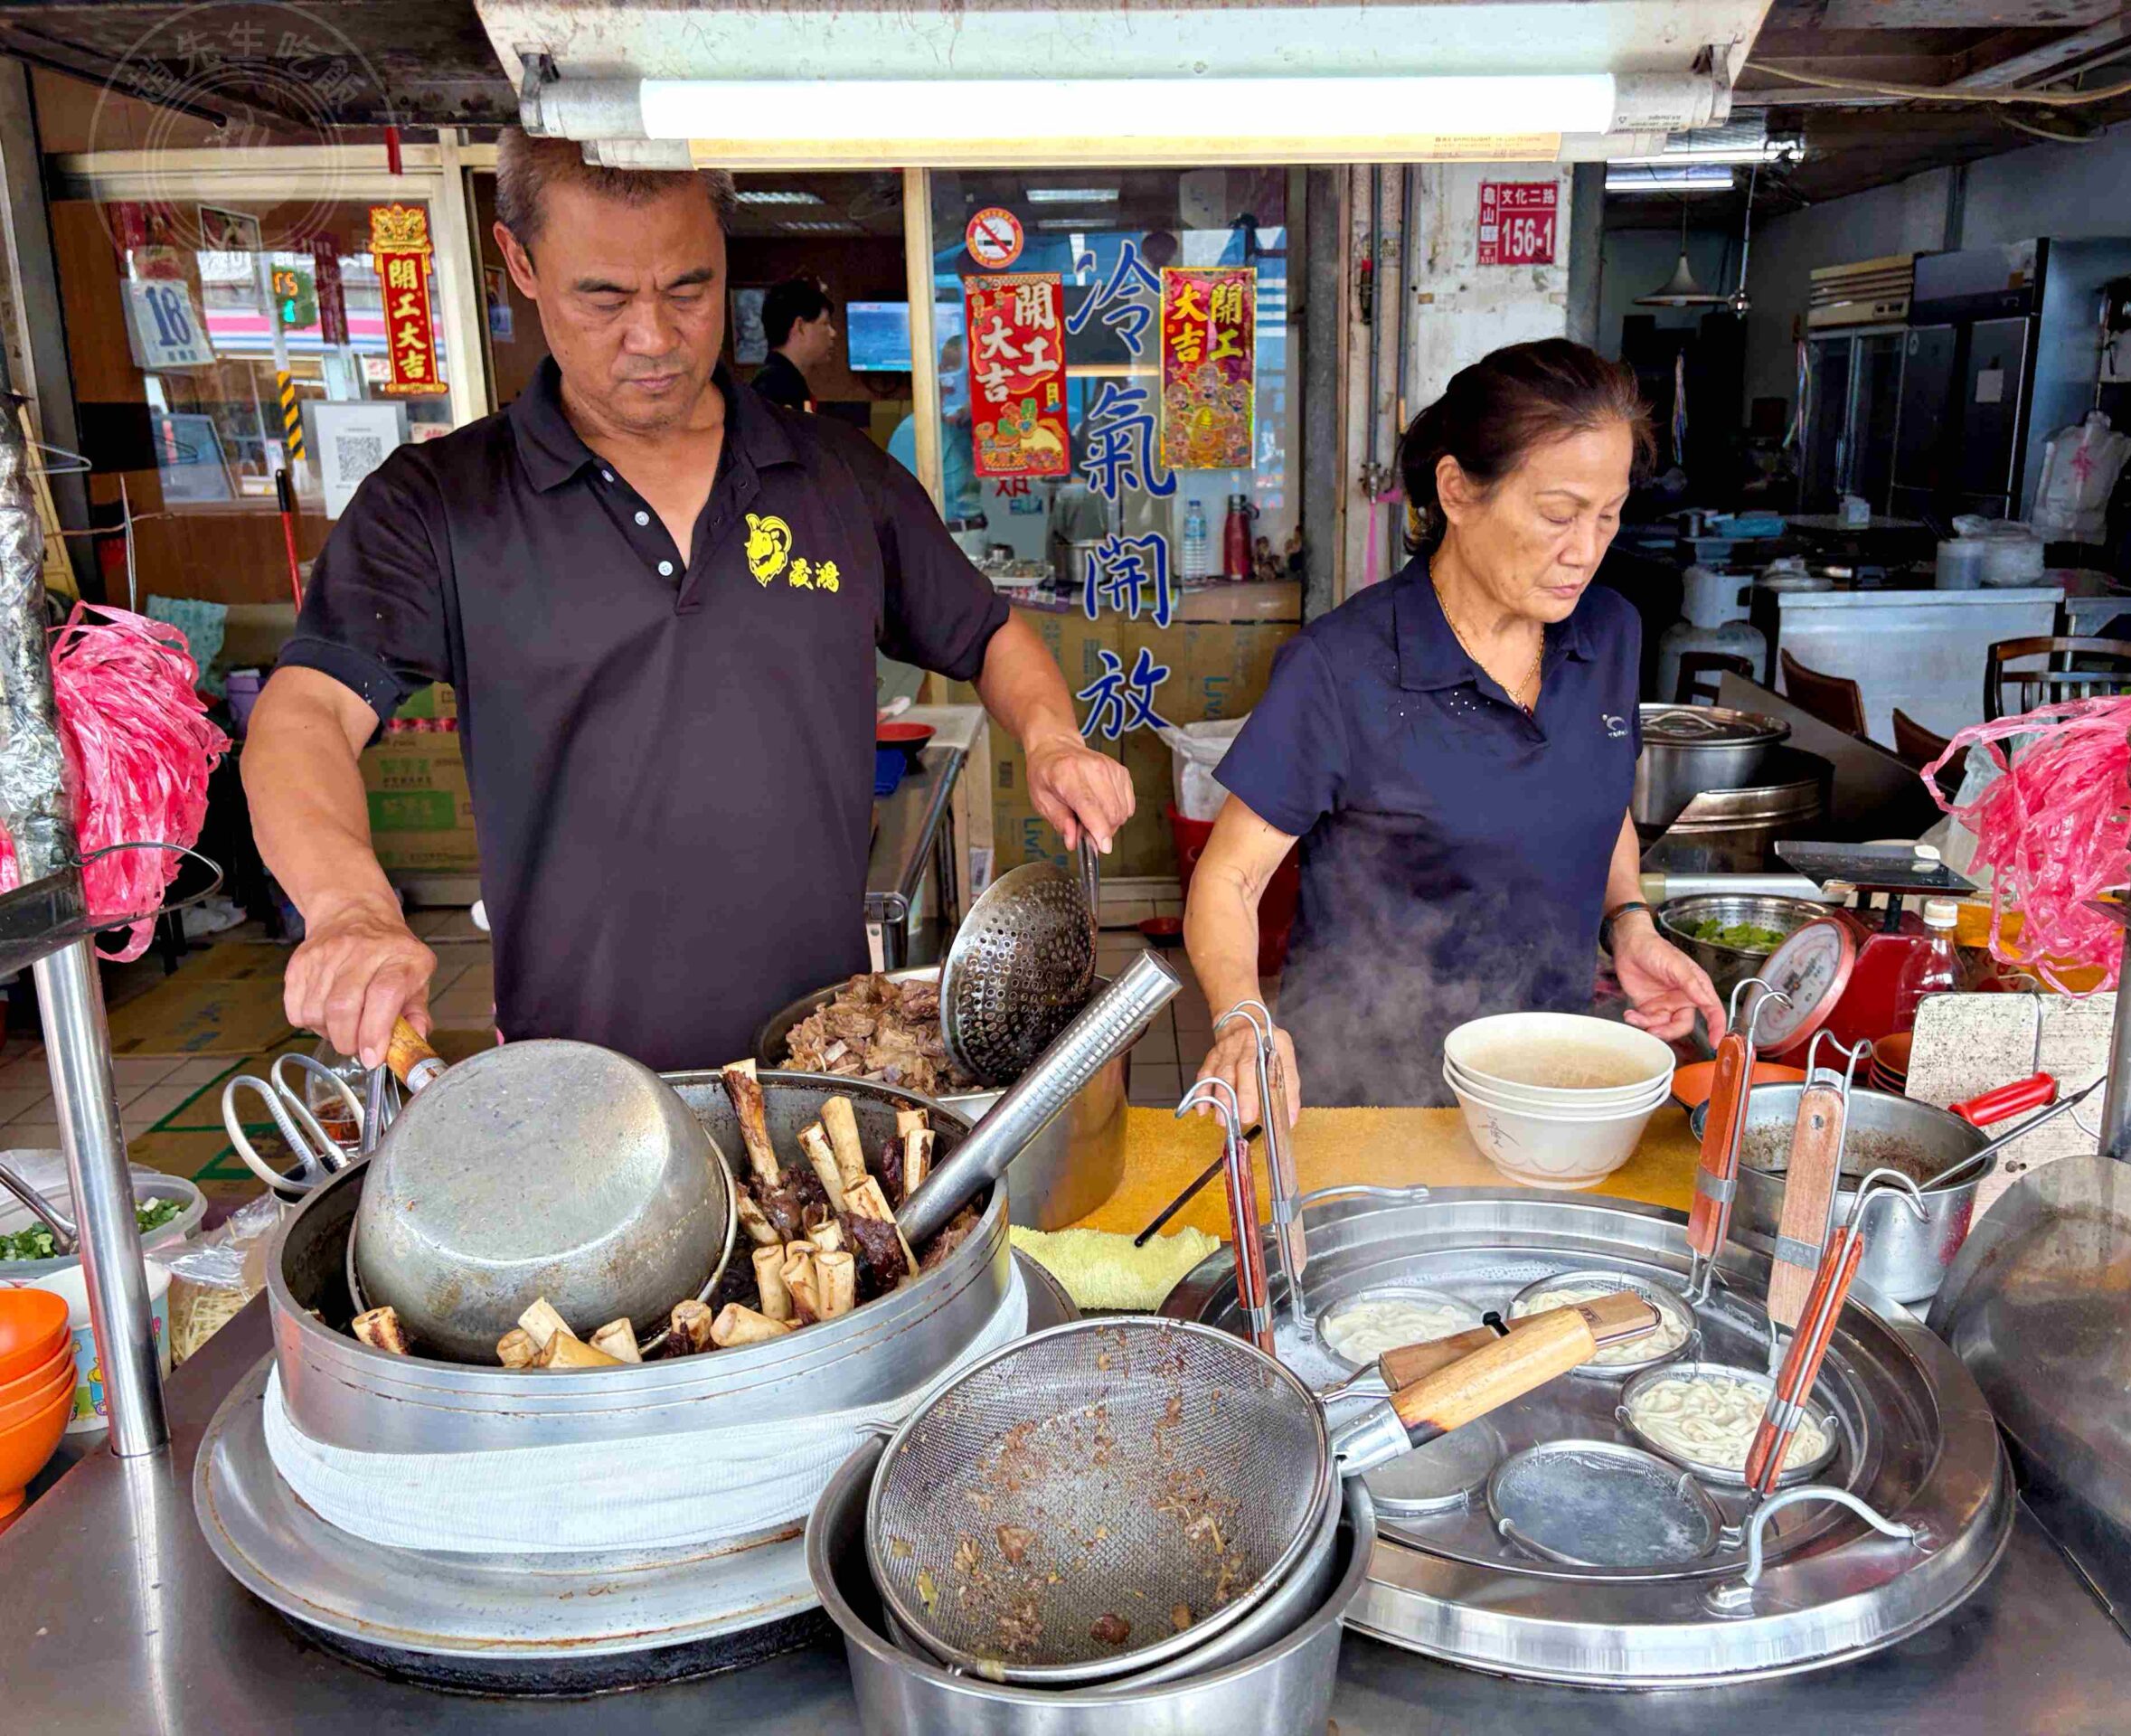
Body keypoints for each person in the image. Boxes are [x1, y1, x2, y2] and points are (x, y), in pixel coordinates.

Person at [244, 130, 1132, 1072]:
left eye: (688, 290)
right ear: (521, 263)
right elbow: (304, 715)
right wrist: (349, 908)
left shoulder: (836, 478)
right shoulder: (441, 502)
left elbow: (991, 633)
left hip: (817, 1064)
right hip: (575, 1075)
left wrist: (1052, 738)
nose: (654, 337)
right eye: (605, 297)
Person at [1184, 340, 1722, 1121]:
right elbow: (1229, 880)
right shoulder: (1343, 667)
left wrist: (1629, 920)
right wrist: (1241, 1018)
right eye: (1558, 515)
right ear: (1458, 491)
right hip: (1370, 1098)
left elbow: (1596, 802)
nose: (1587, 551)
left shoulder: (1610, 631)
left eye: (1609, 517)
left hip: (1548, 1083)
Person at [886, 335, 982, 525]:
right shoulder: (916, 430)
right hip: (943, 535)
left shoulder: (980, 429)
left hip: (980, 533)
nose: (953, 383)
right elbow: (901, 504)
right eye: (948, 373)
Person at [750, 277, 835, 410]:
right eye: (825, 323)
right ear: (800, 326)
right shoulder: (777, 388)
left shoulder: (778, 381)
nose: (833, 333)